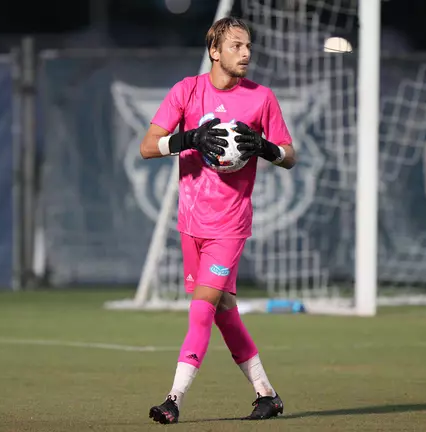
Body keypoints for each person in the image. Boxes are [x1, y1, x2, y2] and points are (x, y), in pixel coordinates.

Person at [139, 16, 297, 424]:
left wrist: (266, 147)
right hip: (191, 223)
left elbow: (289, 155)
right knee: (225, 309)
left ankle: (173, 399)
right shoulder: (186, 91)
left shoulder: (261, 98)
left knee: (202, 309)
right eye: (236, 46)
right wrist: (189, 138)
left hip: (230, 224)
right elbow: (147, 147)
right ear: (214, 51)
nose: (246, 53)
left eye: (248, 46)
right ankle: (267, 394)